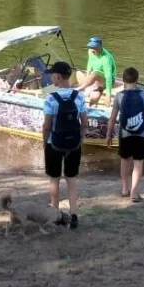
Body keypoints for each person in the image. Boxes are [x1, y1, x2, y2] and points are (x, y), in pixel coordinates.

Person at [42, 61, 85, 228]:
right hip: (74, 143)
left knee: (54, 179)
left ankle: (55, 214)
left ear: (58, 77)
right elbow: (84, 121)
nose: (50, 77)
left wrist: (44, 142)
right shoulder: (79, 96)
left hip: (55, 143)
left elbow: (47, 125)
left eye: (52, 74)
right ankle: (74, 214)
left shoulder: (51, 98)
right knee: (72, 178)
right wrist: (81, 137)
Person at [106, 67, 144, 202]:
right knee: (138, 162)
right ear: (137, 79)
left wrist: (108, 134)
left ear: (123, 80)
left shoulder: (119, 96)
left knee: (125, 160)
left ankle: (124, 189)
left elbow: (112, 118)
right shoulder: (143, 95)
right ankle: (134, 193)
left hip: (125, 134)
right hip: (140, 134)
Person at [77, 37, 116, 105]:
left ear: (100, 46)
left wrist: (108, 96)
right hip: (96, 79)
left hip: (107, 80)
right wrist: (87, 75)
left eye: (94, 47)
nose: (92, 49)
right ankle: (88, 91)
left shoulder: (106, 58)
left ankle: (80, 88)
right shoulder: (90, 51)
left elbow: (109, 77)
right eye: (91, 47)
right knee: (93, 99)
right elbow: (90, 63)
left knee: (95, 73)